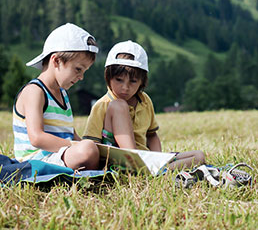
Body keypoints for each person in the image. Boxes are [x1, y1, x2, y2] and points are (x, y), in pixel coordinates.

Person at [83, 40, 205, 171]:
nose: (125, 87)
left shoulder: (145, 101)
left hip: (146, 158)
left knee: (198, 156)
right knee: (119, 105)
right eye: (119, 80)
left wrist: (158, 158)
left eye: (133, 81)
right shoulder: (102, 105)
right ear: (108, 77)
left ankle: (155, 170)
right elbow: (92, 143)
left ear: (142, 82)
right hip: (118, 161)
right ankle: (136, 164)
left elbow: (151, 135)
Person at [12, 23, 100, 170]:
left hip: (59, 154)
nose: (81, 77)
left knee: (93, 149)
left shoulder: (62, 94)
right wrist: (78, 146)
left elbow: (70, 134)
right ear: (56, 60)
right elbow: (37, 138)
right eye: (78, 69)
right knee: (88, 150)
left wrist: (87, 145)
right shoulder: (35, 91)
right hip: (36, 160)